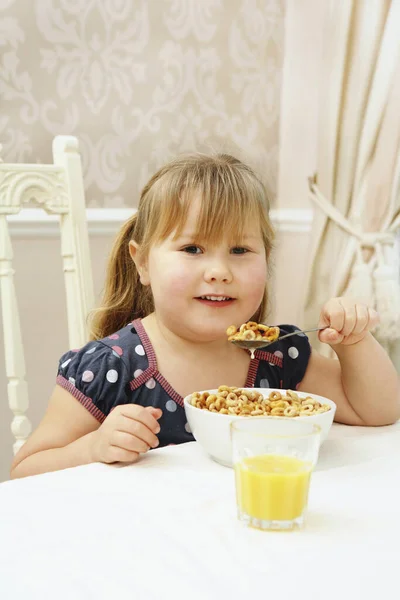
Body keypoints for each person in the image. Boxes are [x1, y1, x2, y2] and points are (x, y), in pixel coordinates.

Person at [10, 153, 400, 479]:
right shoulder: (114, 367)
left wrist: (354, 343)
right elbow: (26, 470)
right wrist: (92, 448)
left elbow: (378, 412)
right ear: (142, 262)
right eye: (193, 248)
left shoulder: (277, 355)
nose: (219, 270)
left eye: (240, 250)